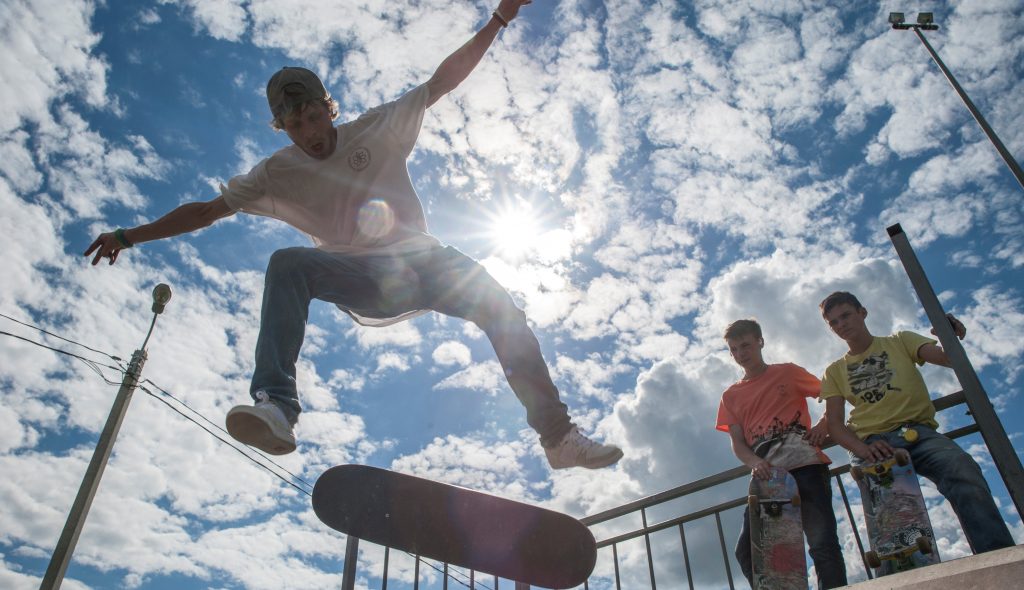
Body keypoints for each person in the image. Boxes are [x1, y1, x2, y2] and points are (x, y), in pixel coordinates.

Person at [84, 0, 622, 470]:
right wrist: (129, 236)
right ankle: (277, 405)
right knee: (288, 263)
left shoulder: (376, 127)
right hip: (363, 275)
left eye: (316, 118)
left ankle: (557, 438)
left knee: (502, 308)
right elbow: (204, 211)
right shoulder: (277, 172)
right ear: (282, 128)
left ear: (328, 108)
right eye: (297, 127)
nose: (312, 135)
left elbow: (444, 80)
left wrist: (501, 16)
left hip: (429, 261)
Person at [819, 291, 1014, 553]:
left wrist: (949, 335)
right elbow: (834, 424)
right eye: (834, 322)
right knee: (890, 511)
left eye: (846, 316)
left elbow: (946, 358)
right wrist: (862, 449)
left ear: (862, 313)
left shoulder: (900, 340)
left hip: (917, 433)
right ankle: (901, 569)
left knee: (961, 468)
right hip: (872, 443)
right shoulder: (834, 371)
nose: (841, 324)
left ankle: (997, 555)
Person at [716, 319, 847, 589]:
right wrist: (754, 462)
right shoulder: (731, 395)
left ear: (760, 342)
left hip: (806, 465)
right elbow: (738, 442)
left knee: (822, 543)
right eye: (735, 349)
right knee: (747, 551)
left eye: (746, 345)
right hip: (767, 479)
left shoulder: (787, 372)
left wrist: (825, 424)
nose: (741, 353)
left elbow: (832, 392)